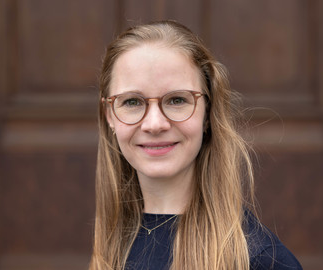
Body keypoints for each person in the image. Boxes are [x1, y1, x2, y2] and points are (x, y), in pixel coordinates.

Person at [89, 20, 302, 270]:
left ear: (207, 112)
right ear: (110, 115)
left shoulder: (259, 260)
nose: (155, 124)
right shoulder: (115, 244)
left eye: (177, 100)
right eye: (133, 102)